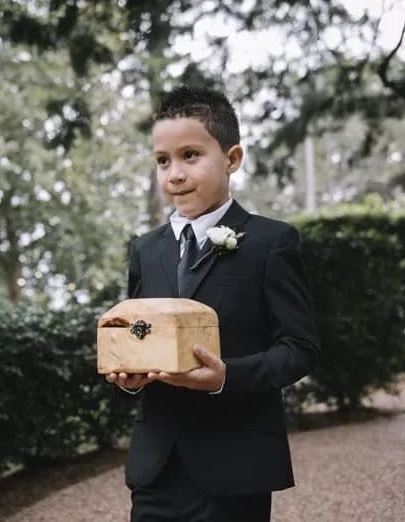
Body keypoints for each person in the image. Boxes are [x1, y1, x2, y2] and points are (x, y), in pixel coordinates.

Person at [106, 85, 320, 522]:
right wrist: (129, 374)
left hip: (236, 464)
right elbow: (141, 333)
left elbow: (300, 347)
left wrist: (226, 377)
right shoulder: (146, 250)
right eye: (162, 161)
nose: (175, 174)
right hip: (157, 466)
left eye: (190, 155)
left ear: (232, 158)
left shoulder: (270, 242)